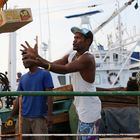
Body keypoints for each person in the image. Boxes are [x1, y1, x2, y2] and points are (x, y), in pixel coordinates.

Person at [21, 27, 102, 140]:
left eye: (78, 38)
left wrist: (37, 59)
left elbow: (64, 69)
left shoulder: (87, 58)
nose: (74, 40)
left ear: (88, 41)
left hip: (89, 109)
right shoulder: (72, 55)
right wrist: (36, 58)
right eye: (74, 37)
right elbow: (53, 65)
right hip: (80, 108)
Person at [7, 49, 54, 140]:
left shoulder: (45, 74)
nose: (23, 61)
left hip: (39, 117)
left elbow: (50, 95)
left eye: (26, 58)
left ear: (33, 58)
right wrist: (11, 115)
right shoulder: (23, 78)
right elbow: (19, 99)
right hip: (23, 117)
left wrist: (50, 115)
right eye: (22, 59)